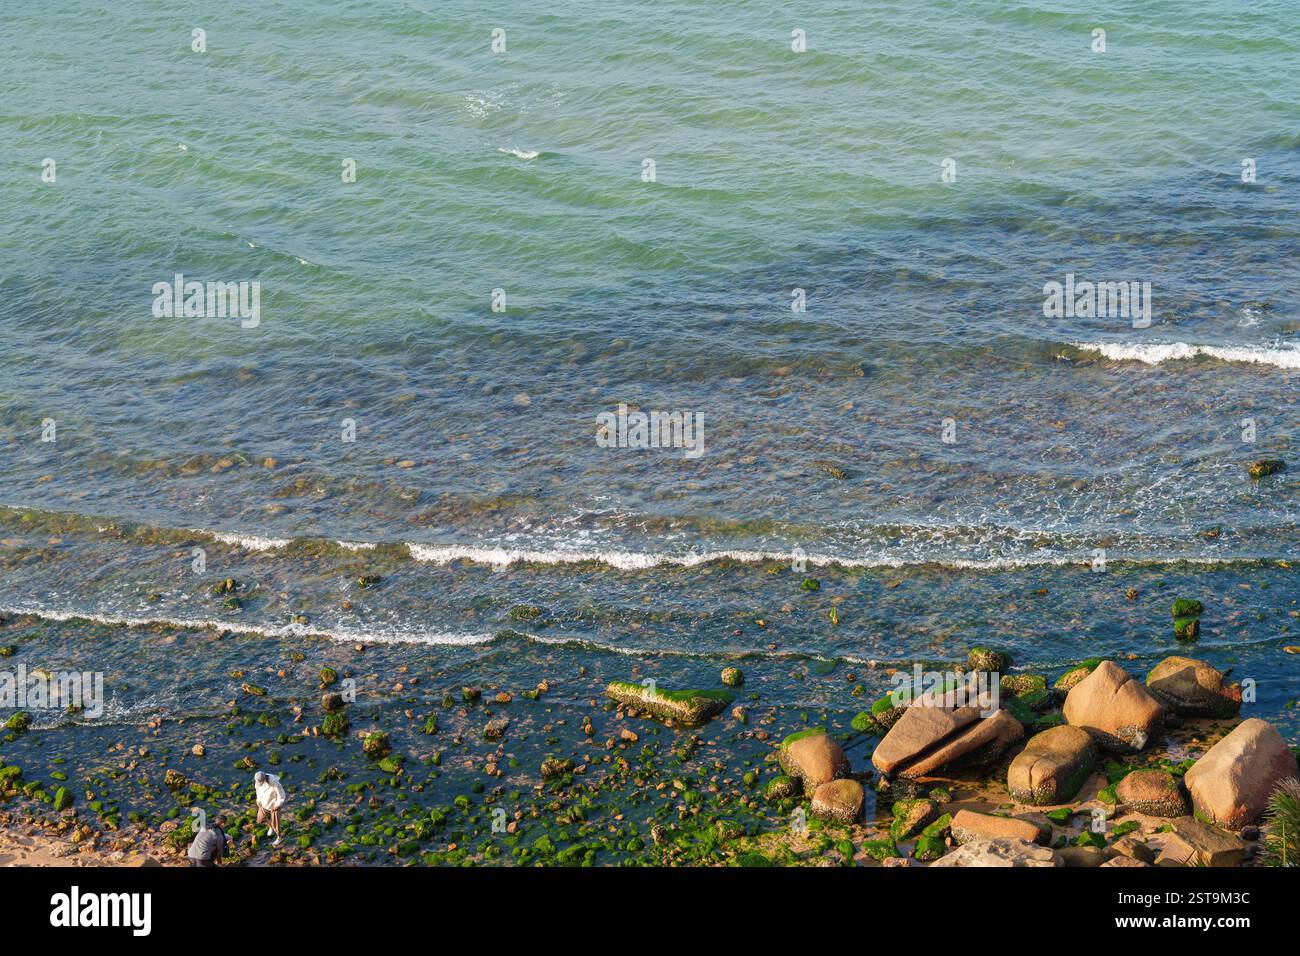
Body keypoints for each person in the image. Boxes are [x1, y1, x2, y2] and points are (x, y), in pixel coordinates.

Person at [253, 771, 287, 847]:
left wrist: (277, 805)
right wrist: (258, 801)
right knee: (260, 819)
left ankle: (279, 838)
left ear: (265, 778)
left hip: (273, 806)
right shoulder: (258, 782)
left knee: (276, 824)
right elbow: (257, 792)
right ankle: (270, 827)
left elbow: (281, 795)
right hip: (263, 805)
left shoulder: (275, 784)